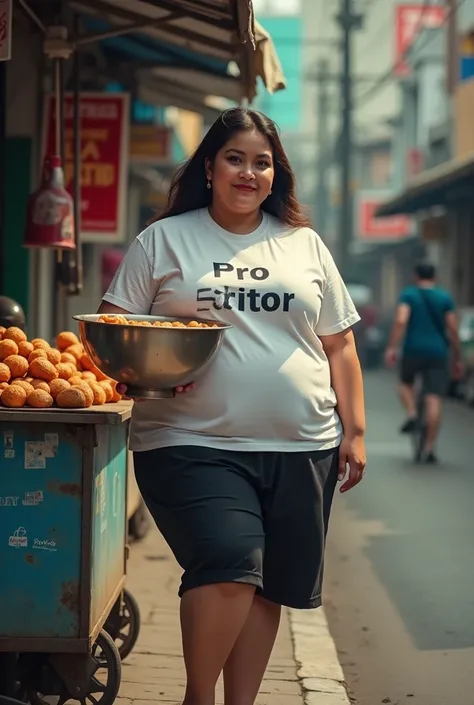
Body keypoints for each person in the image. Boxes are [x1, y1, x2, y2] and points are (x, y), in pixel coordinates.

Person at [99, 107, 366, 705]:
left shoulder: (304, 245)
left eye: (262, 162)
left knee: (267, 586)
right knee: (230, 560)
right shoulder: (166, 238)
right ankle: (199, 697)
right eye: (236, 159)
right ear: (211, 168)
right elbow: (114, 329)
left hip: (303, 445)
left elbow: (339, 344)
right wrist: (165, 345)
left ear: (277, 174)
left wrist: (356, 432)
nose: (249, 173)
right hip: (190, 443)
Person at [385, 262, 462, 463]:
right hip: (438, 352)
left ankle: (411, 413)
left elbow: (401, 320)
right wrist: (457, 355)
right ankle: (429, 448)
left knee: (404, 384)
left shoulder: (409, 295)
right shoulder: (444, 297)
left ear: (415, 276)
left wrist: (392, 347)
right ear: (434, 277)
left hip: (413, 350)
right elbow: (452, 329)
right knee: (434, 398)